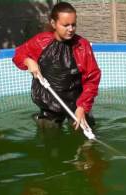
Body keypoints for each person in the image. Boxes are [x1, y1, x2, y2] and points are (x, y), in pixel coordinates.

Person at [12, 2, 101, 130]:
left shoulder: (82, 46)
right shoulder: (40, 41)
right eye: (65, 25)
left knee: (86, 134)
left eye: (73, 25)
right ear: (53, 24)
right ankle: (42, 119)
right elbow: (18, 55)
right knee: (49, 139)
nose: (70, 29)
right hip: (49, 101)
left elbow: (92, 79)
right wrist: (28, 61)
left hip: (76, 102)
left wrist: (83, 106)